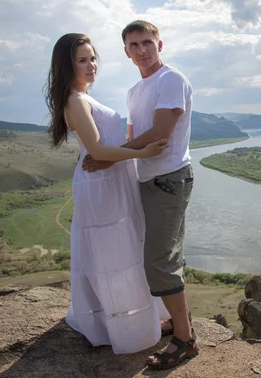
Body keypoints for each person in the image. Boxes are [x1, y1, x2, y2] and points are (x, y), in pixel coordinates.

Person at [45, 33, 171, 354]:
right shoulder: (74, 101)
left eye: (93, 58)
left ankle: (143, 317)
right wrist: (144, 153)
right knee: (112, 252)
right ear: (67, 65)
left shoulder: (85, 97)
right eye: (82, 60)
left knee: (127, 247)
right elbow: (98, 150)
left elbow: (107, 146)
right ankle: (119, 325)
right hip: (101, 185)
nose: (92, 65)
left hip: (113, 180)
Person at [82, 20, 197, 369]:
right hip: (146, 179)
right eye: (133, 45)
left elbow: (160, 133)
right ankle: (179, 322)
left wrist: (104, 157)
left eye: (147, 42)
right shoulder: (135, 91)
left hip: (168, 179)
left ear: (160, 45)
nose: (141, 50)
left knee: (159, 261)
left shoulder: (170, 80)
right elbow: (133, 137)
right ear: (126, 51)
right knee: (161, 255)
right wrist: (115, 160)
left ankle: (185, 340)